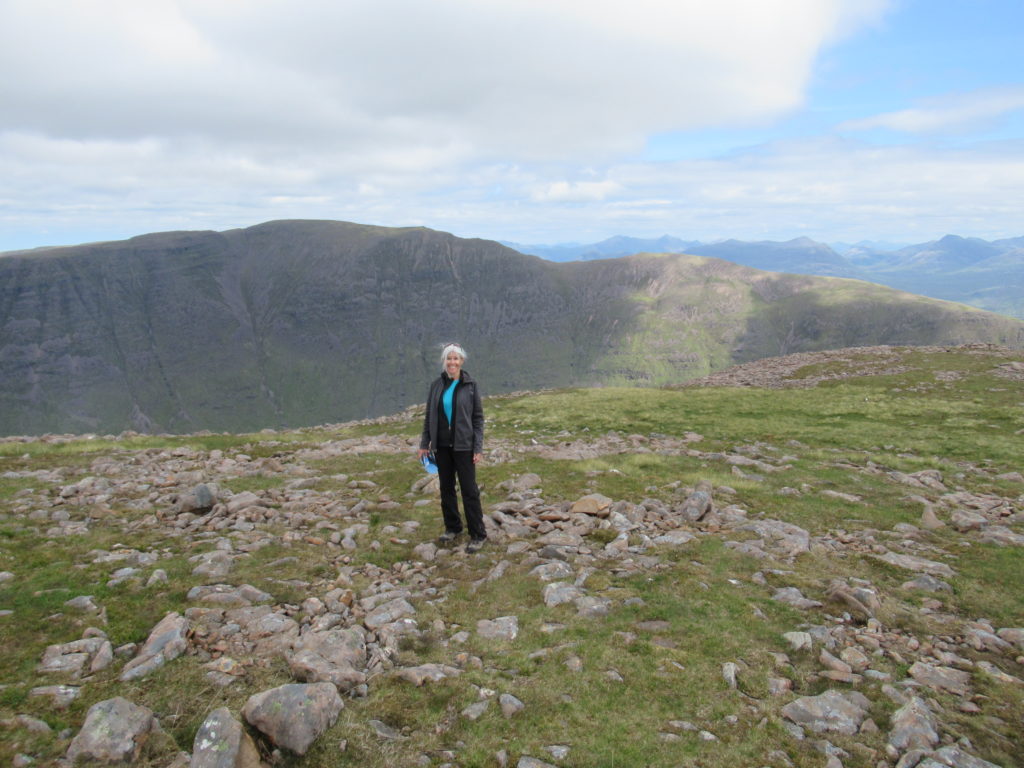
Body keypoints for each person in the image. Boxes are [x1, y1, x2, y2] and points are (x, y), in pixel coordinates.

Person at [418, 343, 487, 552]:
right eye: (449, 358)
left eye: (456, 359)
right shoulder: (436, 385)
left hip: (464, 446)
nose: (452, 362)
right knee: (446, 488)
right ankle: (453, 527)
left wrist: (478, 447)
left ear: (462, 362)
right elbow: (430, 415)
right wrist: (424, 443)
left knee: (469, 490)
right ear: (444, 361)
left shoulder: (471, 385)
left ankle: (478, 534)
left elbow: (477, 418)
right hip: (442, 446)